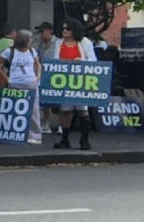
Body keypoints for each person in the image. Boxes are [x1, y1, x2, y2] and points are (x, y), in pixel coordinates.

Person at [53, 17, 97, 150]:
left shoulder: (84, 43)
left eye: (68, 29)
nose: (65, 31)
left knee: (82, 109)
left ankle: (84, 140)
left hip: (81, 80)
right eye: (63, 29)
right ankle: (65, 139)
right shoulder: (59, 43)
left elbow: (93, 60)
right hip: (64, 80)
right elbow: (55, 59)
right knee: (65, 111)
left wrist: (81, 62)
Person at [0, 29, 42, 144]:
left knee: (34, 110)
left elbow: (37, 64)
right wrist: (6, 79)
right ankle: (13, 133)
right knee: (14, 109)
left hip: (30, 83)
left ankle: (35, 135)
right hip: (14, 83)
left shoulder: (32, 51)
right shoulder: (10, 51)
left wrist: (38, 76)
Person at [34, 22, 60, 133]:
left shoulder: (58, 43)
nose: (41, 34)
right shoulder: (39, 44)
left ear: (50, 31)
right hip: (44, 73)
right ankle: (46, 123)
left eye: (42, 31)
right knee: (45, 100)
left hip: (57, 73)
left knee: (59, 100)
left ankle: (60, 125)